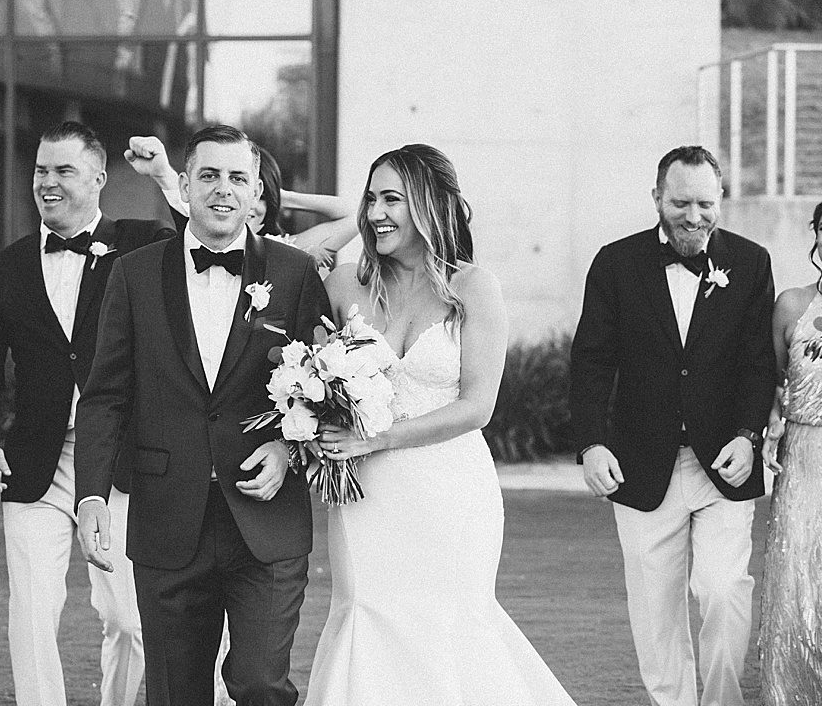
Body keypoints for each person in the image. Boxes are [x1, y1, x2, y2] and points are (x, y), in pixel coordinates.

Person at [304, 143, 575, 705]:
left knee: (448, 622)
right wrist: (346, 226)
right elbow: (295, 253)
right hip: (366, 496)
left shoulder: (473, 287)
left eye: (392, 200)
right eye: (370, 199)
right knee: (366, 612)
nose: (376, 212)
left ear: (428, 205)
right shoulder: (345, 285)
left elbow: (478, 407)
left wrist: (376, 437)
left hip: (450, 490)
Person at [74, 124, 329, 706]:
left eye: (238, 178)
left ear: (256, 191)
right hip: (167, 519)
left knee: (262, 683)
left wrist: (291, 449)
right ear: (184, 185)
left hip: (266, 523)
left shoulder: (293, 275)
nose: (223, 190)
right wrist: (90, 495)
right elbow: (104, 395)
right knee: (174, 694)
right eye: (208, 176)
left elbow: (324, 389)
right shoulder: (134, 274)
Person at [0, 121, 173, 706]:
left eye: (63, 171)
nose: (47, 183)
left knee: (129, 620)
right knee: (31, 617)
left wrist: (167, 179)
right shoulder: (5, 268)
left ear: (99, 179)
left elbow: (208, 242)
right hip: (35, 465)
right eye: (40, 171)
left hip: (119, 463)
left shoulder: (143, 244)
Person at [571, 145, 775, 706]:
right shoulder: (615, 263)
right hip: (640, 460)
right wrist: (591, 443)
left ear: (721, 199)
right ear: (657, 198)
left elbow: (759, 363)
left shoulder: (751, 262)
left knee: (722, 589)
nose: (694, 216)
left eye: (705, 203)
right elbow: (591, 361)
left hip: (724, 463)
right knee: (655, 609)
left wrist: (748, 435)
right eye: (680, 202)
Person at [759, 201, 822, 705]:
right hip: (804, 458)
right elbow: (772, 383)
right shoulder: (792, 305)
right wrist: (772, 426)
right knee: (797, 580)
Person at [126, 134, 358, 268]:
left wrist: (278, 195)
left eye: (259, 196)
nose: (251, 207)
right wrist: (161, 171)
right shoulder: (204, 233)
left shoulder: (287, 253)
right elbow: (187, 200)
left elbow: (354, 215)